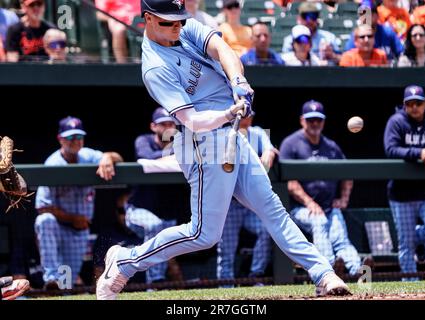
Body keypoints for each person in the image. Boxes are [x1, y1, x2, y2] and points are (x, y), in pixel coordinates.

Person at [96, 0, 350, 300]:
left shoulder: (183, 28)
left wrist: (238, 80)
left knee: (272, 209)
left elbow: (222, 49)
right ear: (148, 19)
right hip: (203, 143)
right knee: (203, 234)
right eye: (168, 22)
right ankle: (126, 261)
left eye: (179, 19)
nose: (177, 26)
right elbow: (191, 120)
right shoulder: (154, 67)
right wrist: (229, 114)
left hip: (231, 133)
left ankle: (323, 273)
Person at [35, 116, 123, 289]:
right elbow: (42, 207)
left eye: (79, 137)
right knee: (44, 221)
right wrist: (72, 218)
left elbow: (118, 157)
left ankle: (61, 290)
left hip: (79, 230)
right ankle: (51, 278)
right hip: (57, 228)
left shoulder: (88, 155)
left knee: (67, 279)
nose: (75, 141)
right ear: (60, 139)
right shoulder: (52, 163)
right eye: (70, 137)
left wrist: (107, 157)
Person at [279, 100, 363, 278]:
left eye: (318, 120)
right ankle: (330, 269)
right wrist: (309, 202)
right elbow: (290, 182)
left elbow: (348, 174)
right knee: (319, 222)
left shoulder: (331, 146)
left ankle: (358, 271)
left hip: (329, 207)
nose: (315, 124)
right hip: (298, 209)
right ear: (302, 120)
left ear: (323, 121)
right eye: (311, 120)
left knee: (340, 238)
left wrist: (344, 199)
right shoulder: (291, 143)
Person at [125, 107, 188, 285]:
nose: (168, 127)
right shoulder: (143, 140)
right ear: (153, 126)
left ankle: (153, 279)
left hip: (167, 213)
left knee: (167, 243)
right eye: (163, 124)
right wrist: (176, 157)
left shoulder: (181, 142)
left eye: (171, 124)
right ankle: (155, 281)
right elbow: (147, 156)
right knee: (155, 226)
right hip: (138, 210)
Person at [217, 112, 276, 285]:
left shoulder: (258, 132)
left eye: (248, 116)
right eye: (242, 116)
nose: (245, 119)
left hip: (250, 204)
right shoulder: (224, 132)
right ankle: (225, 284)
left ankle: (255, 275)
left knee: (266, 229)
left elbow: (269, 150)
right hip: (230, 204)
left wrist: (268, 154)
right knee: (226, 246)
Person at [384, 85, 425, 280]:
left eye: (418, 103)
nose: (414, 107)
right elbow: (391, 149)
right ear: (404, 105)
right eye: (410, 104)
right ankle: (410, 281)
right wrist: (420, 153)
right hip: (401, 194)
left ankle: (418, 240)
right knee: (405, 243)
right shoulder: (397, 122)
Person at [282, 1, 342, 66]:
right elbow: (286, 62)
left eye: (313, 16)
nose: (309, 20)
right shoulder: (291, 39)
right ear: (299, 18)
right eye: (306, 16)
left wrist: (332, 55)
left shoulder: (328, 37)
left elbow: (342, 60)